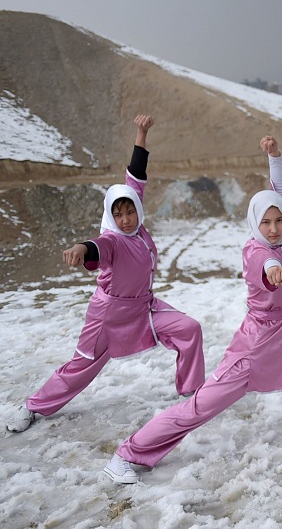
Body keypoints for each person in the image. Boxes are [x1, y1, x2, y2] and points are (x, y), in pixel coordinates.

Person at [103, 135, 282, 484]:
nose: (273, 228)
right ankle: (126, 454)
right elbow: (264, 265)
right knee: (199, 408)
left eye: (279, 221)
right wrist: (272, 271)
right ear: (255, 224)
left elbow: (281, 194)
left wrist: (275, 157)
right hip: (255, 351)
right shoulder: (258, 251)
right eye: (266, 223)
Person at [6, 115, 205, 434]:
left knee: (189, 329)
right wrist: (80, 248)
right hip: (109, 316)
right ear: (111, 217)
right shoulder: (113, 239)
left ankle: (191, 392)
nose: (126, 219)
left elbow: (135, 177)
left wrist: (141, 133)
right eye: (118, 214)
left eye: (130, 211)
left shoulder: (138, 228)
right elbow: (96, 246)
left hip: (144, 308)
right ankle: (32, 406)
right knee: (80, 367)